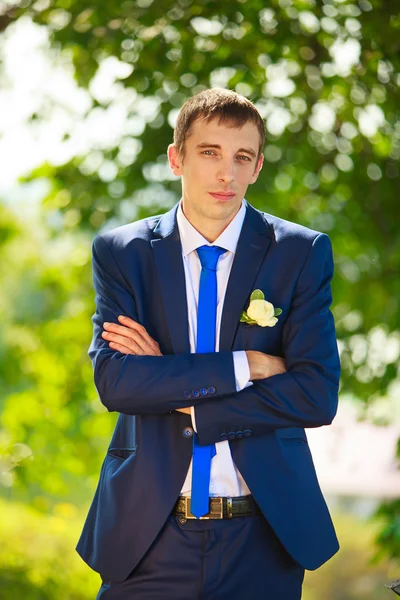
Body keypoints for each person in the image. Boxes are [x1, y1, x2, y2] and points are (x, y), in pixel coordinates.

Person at [76, 88, 341, 599]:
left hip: (264, 536)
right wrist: (251, 364)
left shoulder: (300, 253)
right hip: (147, 534)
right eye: (209, 153)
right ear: (177, 157)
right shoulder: (123, 253)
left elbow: (315, 393)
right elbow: (117, 383)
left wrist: (184, 396)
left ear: (258, 166)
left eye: (243, 157)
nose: (228, 174)